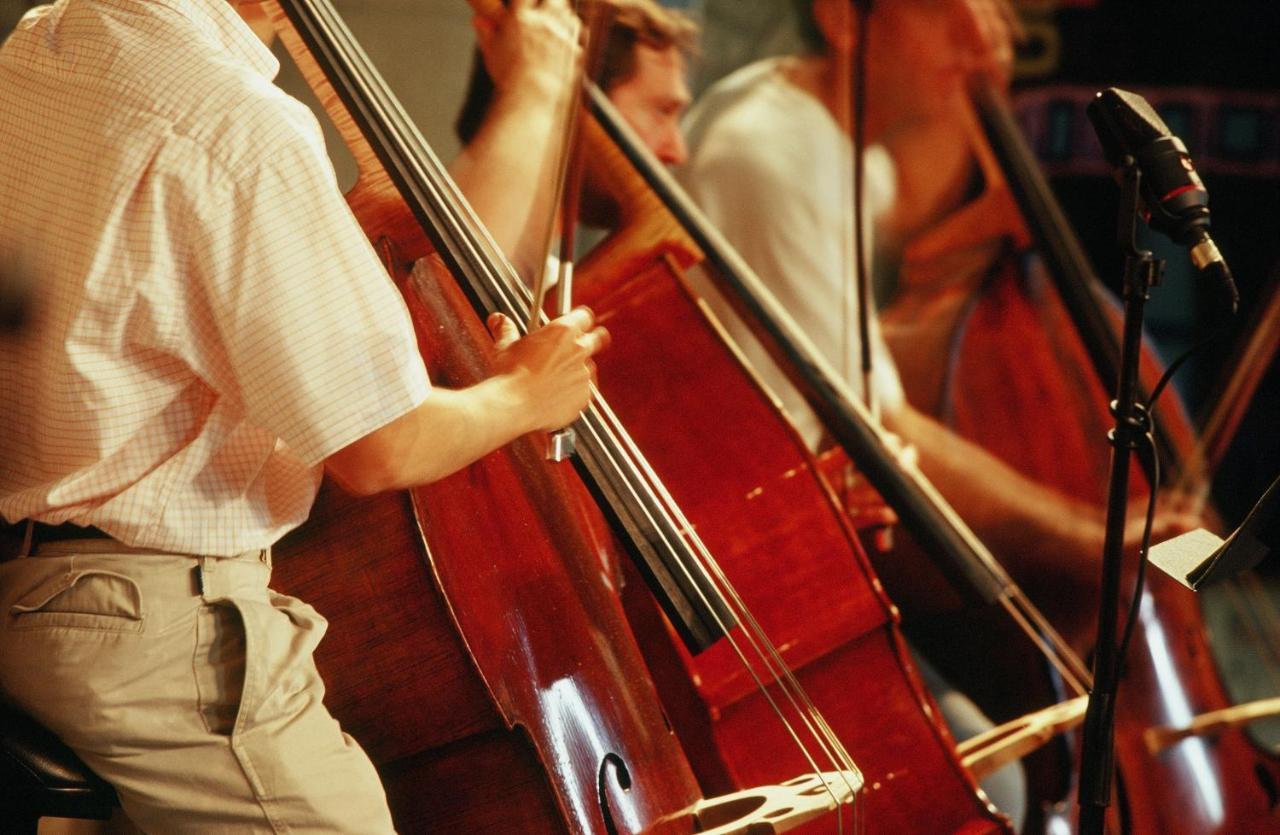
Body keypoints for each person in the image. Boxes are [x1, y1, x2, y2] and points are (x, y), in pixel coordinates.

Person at [0, 0, 606, 831]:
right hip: (164, 635)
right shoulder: (236, 128)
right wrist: (523, 396)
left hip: (36, 597)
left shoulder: (45, 41)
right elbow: (379, 447)